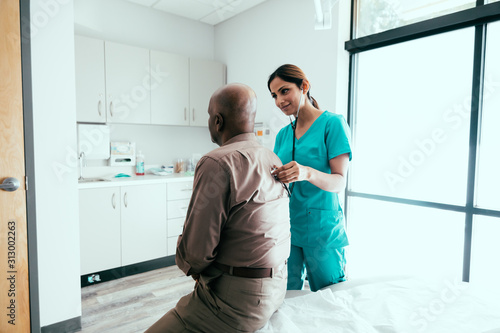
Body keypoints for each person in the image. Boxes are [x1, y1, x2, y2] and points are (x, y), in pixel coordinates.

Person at [145, 83, 291, 333]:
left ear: (218, 121)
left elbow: (195, 252)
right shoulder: (272, 158)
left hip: (236, 303)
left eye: (209, 116)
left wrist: (191, 265)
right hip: (276, 288)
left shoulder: (217, 162)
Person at [268, 64, 352, 292]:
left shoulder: (332, 124)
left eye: (285, 91)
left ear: (304, 86)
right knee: (286, 296)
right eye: (274, 95)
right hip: (287, 228)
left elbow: (339, 182)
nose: (279, 101)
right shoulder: (283, 134)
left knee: (331, 297)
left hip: (322, 231)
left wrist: (306, 172)